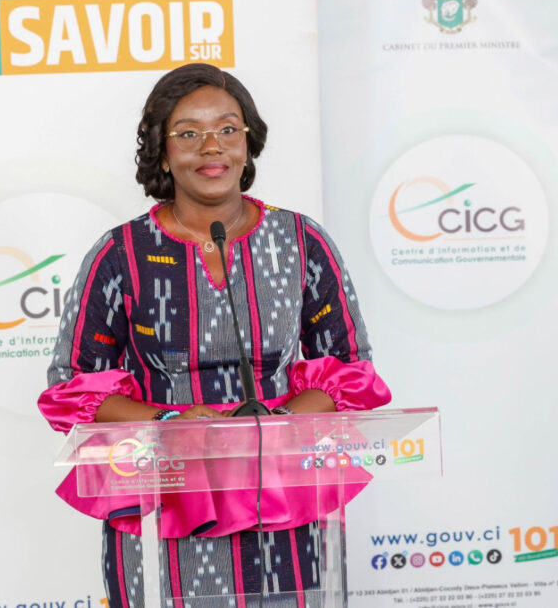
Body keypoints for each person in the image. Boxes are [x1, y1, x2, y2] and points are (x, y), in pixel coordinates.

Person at [38, 63, 391, 607]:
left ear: (248, 144)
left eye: (228, 128)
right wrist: (168, 423)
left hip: (284, 495)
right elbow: (73, 385)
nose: (212, 146)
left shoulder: (301, 241)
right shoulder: (120, 254)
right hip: (165, 498)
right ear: (162, 153)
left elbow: (350, 368)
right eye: (188, 133)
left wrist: (278, 421)